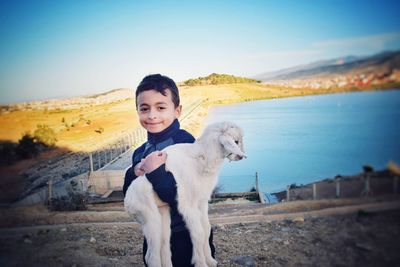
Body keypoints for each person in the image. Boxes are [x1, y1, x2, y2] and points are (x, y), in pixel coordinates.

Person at [123, 74, 215, 266]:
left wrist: (156, 174)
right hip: (155, 237)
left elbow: (186, 199)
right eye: (144, 109)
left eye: (161, 107)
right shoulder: (140, 152)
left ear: (177, 110)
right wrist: (133, 173)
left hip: (186, 237)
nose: (152, 115)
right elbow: (130, 195)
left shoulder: (188, 145)